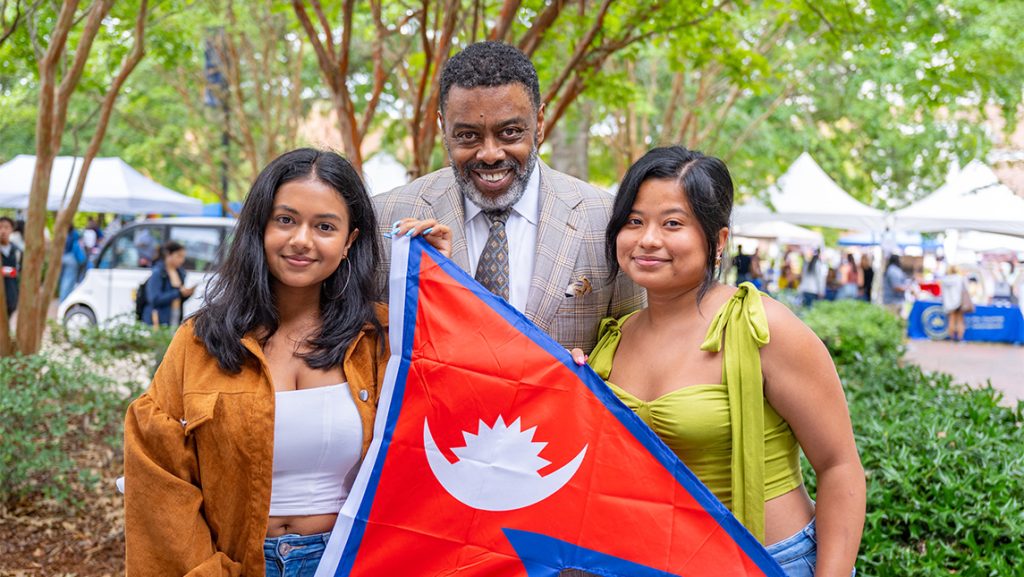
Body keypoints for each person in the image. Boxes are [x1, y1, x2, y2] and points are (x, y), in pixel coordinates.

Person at [123, 149, 451, 576]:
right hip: (236, 563)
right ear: (260, 225)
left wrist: (438, 285)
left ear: (349, 241)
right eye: (285, 220)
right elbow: (157, 472)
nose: (302, 239)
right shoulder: (201, 341)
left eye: (325, 227)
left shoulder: (383, 339)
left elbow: (450, 416)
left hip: (350, 562)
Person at [575, 146, 864, 575]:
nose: (648, 239)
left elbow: (839, 467)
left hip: (771, 563)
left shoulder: (763, 327)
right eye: (634, 221)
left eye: (672, 223)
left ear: (718, 240)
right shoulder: (612, 341)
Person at [373, 41, 644, 352]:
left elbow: (632, 353)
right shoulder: (386, 216)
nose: (490, 154)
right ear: (442, 127)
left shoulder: (607, 220)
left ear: (539, 123)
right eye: (467, 135)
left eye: (510, 132)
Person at [141, 241, 194, 327]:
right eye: (179, 256)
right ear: (168, 255)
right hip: (158, 321)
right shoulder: (158, 273)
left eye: (183, 257)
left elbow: (178, 299)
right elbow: (154, 299)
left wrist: (186, 294)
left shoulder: (181, 273)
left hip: (175, 318)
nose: (182, 260)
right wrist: (178, 293)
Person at [940, 265, 973, 342]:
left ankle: (951, 337)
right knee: (960, 320)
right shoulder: (960, 278)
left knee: (951, 320)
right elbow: (966, 289)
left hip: (949, 303)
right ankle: (959, 337)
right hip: (959, 302)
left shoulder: (944, 280)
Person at [58, 225, 87, 300]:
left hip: (63, 258)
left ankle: (63, 299)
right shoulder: (75, 234)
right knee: (68, 282)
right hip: (71, 259)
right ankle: (64, 300)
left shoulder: (64, 234)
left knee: (64, 281)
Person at [1, 216, 21, 318]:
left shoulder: (17, 251)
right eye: (0, 227)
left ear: (12, 230)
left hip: (11, 294)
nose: (3, 231)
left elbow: (20, 270)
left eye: (6, 227)